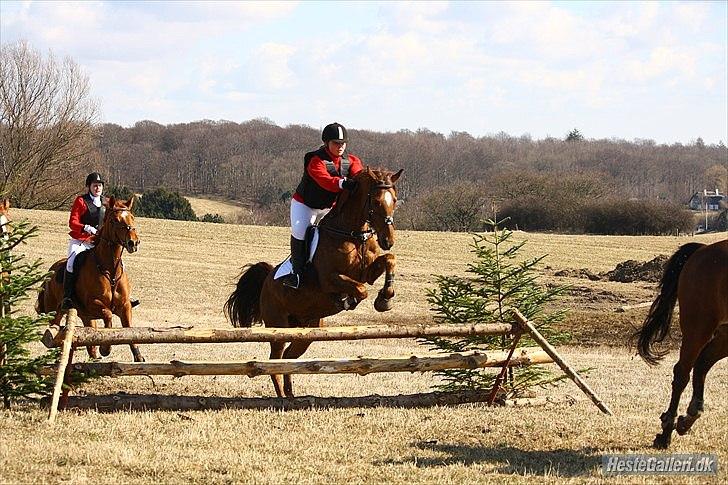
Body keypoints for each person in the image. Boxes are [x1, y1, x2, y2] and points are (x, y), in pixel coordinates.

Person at [281, 122, 364, 289]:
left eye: (343, 143)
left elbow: (360, 176)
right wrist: (342, 183)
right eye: (336, 143)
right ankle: (296, 273)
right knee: (300, 231)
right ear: (327, 143)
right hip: (306, 205)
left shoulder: (352, 160)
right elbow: (325, 181)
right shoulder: (315, 160)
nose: (340, 146)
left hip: (329, 208)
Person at [61, 172, 139, 310]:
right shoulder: (81, 201)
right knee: (71, 263)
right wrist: (85, 227)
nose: (98, 188)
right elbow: (72, 222)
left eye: (100, 186)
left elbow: (118, 215)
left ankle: (124, 297)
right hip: (81, 240)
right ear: (89, 187)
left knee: (120, 264)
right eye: (95, 185)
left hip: (100, 241)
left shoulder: (108, 202)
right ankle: (67, 297)